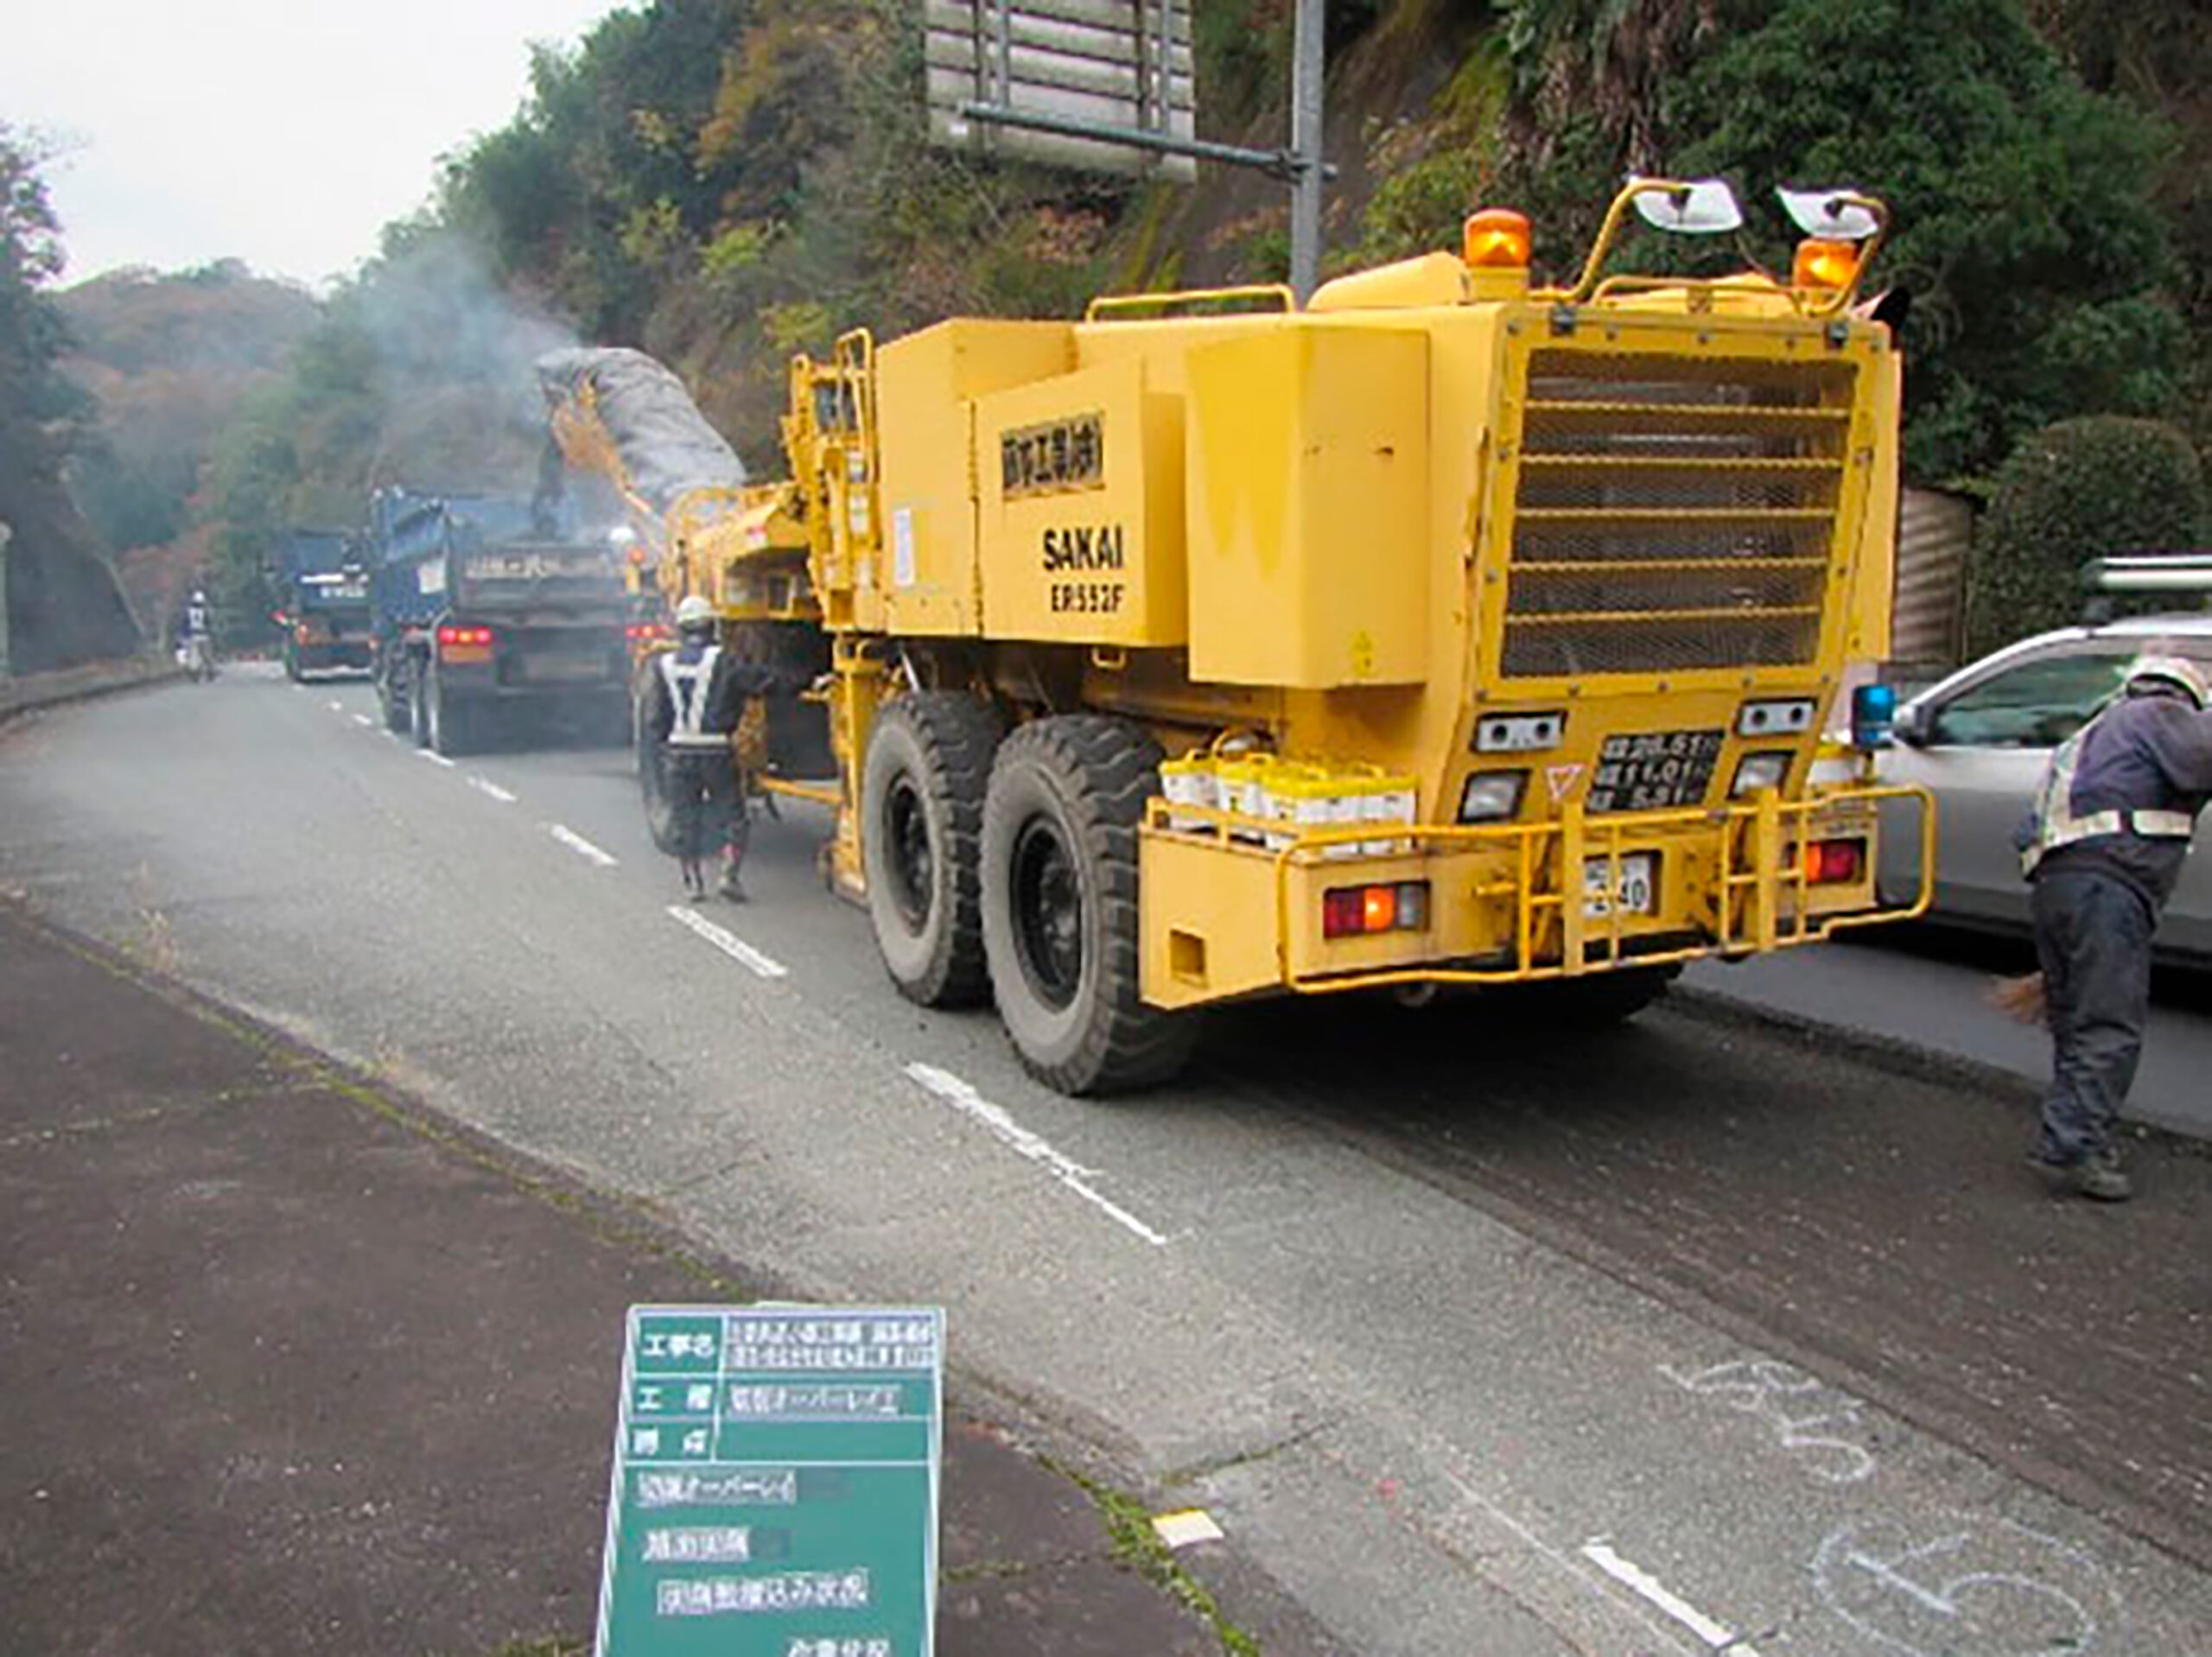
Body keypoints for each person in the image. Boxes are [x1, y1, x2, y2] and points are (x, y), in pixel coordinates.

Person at [2018, 652, 2212, 1200]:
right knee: (2108, 1023)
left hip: (2063, 886)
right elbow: (2203, 758)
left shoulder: (2097, 729)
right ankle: (2074, 1146)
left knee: (2077, 1016)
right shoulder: (2158, 713)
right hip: (2108, 887)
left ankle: (2075, 1128)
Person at [645, 594, 792, 901]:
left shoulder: (664, 665)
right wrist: (803, 682)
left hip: (678, 754)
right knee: (733, 816)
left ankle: (693, 883)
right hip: (716, 752)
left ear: (680, 629)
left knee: (685, 819)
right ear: (711, 626)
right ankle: (729, 876)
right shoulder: (723, 661)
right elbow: (760, 683)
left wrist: (667, 749)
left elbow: (656, 720)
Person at [178, 588, 216, 681]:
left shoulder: (187, 612)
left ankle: (195, 673)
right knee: (206, 655)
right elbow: (210, 624)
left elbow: (184, 624)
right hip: (204, 636)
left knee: (194, 656)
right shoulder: (206, 612)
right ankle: (210, 672)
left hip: (193, 636)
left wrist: (183, 636)